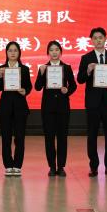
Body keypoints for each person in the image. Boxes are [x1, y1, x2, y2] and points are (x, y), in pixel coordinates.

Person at [77, 27, 107, 177]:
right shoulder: (86, 58)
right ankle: (94, 167)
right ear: (91, 40)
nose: (98, 40)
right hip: (93, 103)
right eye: (95, 38)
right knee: (92, 135)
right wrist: (88, 70)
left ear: (105, 39)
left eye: (100, 37)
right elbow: (80, 79)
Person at [34, 40, 77, 177]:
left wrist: (67, 90)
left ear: (61, 52)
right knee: (49, 138)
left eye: (57, 50)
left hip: (63, 107)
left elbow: (73, 86)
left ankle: (61, 166)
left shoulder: (66, 68)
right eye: (51, 50)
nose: (54, 52)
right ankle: (52, 166)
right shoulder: (43, 68)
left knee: (62, 138)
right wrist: (41, 73)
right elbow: (37, 87)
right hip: (48, 108)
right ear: (48, 53)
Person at [0, 41, 33, 176]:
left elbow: (29, 86)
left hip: (20, 107)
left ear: (19, 53)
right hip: (5, 108)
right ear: (6, 53)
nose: (12, 53)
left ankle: (17, 165)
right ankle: (8, 165)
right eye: (10, 50)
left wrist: (25, 91)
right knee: (6, 138)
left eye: (15, 50)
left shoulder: (24, 69)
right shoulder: (1, 68)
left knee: (19, 138)